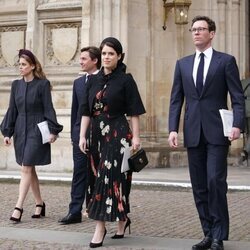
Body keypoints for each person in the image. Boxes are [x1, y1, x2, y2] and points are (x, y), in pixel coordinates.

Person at [168, 16, 245, 250]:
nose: (196, 33)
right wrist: (173, 128)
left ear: (211, 33)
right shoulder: (182, 64)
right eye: (194, 29)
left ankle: (219, 236)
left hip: (217, 132)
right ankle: (207, 233)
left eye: (201, 29)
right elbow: (176, 100)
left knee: (215, 182)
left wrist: (237, 125)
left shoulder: (226, 61)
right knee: (199, 186)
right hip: (193, 132)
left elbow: (238, 98)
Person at [79, 37, 146, 248]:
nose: (107, 57)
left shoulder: (126, 80)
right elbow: (85, 111)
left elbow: (134, 111)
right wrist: (82, 136)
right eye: (104, 53)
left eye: (111, 54)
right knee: (99, 178)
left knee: (107, 179)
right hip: (96, 135)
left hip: (118, 133)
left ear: (119, 56)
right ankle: (123, 218)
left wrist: (136, 137)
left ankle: (100, 227)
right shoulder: (92, 80)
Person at [0, 49, 63, 222]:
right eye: (19, 64)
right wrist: (7, 132)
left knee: (26, 166)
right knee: (29, 168)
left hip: (37, 129)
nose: (20, 67)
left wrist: (53, 130)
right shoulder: (16, 85)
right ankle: (39, 203)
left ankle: (18, 207)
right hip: (20, 129)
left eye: (24, 64)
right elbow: (12, 109)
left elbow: (48, 108)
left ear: (33, 66)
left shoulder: (43, 84)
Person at [58, 46, 101, 225]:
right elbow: (75, 111)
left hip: (100, 135)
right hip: (80, 136)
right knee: (79, 174)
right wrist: (74, 135)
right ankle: (74, 211)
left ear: (94, 60)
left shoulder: (104, 79)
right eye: (81, 58)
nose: (81, 62)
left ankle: (95, 208)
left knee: (98, 173)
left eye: (84, 58)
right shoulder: (78, 83)